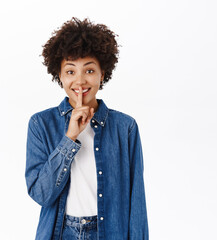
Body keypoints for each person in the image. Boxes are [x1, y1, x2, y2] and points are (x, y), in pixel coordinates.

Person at [25, 17, 149, 240]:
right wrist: (70, 138)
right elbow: (41, 194)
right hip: (61, 234)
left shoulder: (125, 128)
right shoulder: (40, 124)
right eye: (71, 72)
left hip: (109, 233)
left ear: (103, 74)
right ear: (59, 76)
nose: (80, 81)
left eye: (89, 71)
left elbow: (136, 200)